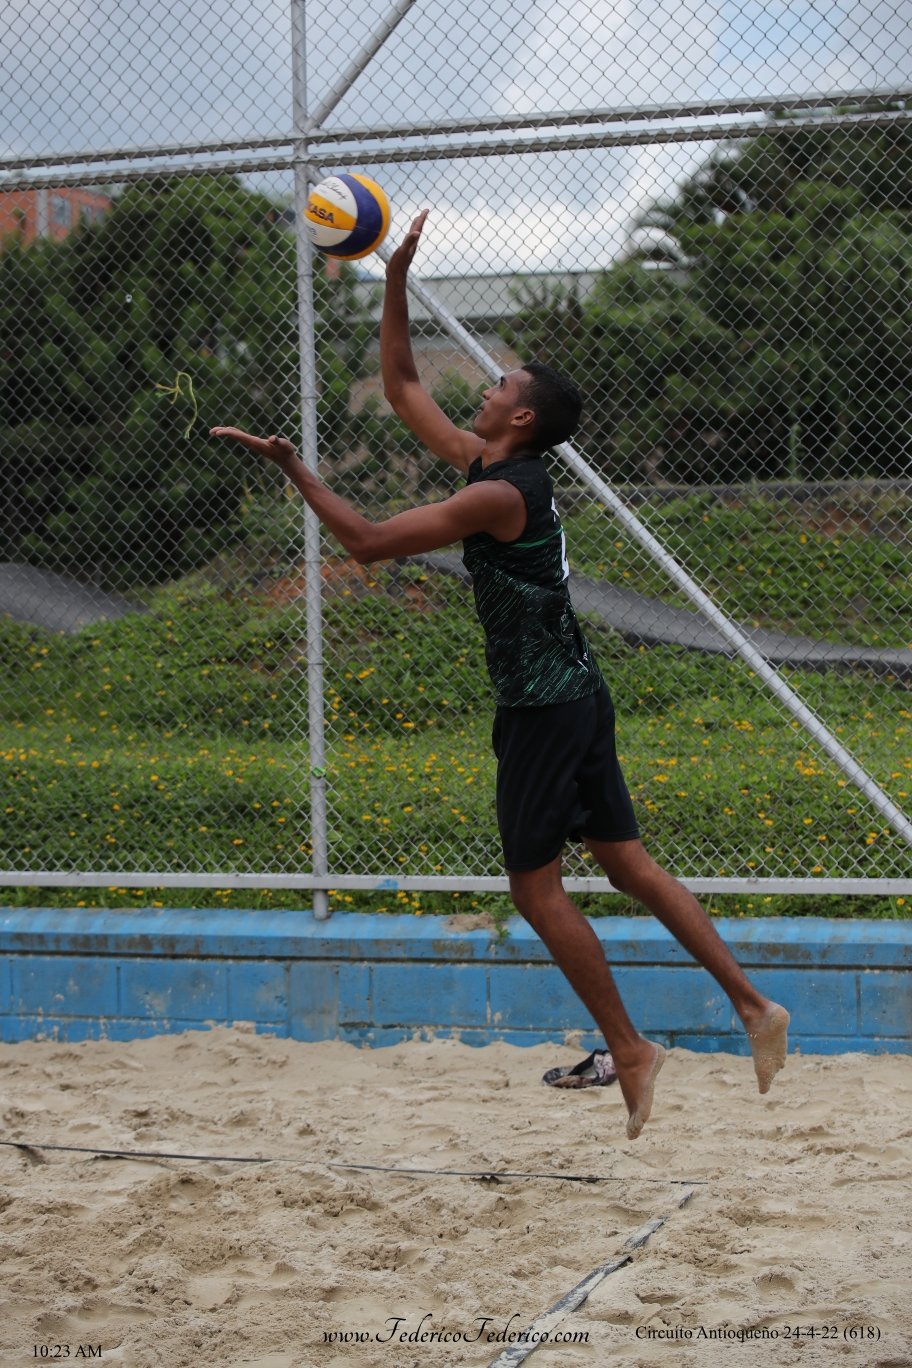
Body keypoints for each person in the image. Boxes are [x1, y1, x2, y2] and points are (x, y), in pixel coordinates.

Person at [211, 211, 789, 1140]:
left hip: (542, 709)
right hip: (578, 693)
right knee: (628, 865)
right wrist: (391, 276)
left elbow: (367, 543)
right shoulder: (493, 467)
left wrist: (294, 469)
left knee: (535, 890)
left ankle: (629, 1049)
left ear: (521, 417)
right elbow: (403, 386)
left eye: (497, 386)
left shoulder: (494, 493)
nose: (482, 389)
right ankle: (754, 1005)